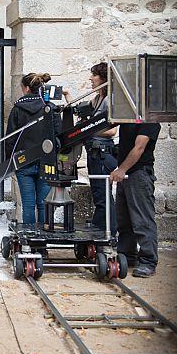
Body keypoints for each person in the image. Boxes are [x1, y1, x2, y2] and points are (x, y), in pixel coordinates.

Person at [64, 62, 118, 234]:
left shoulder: (109, 99)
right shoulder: (97, 99)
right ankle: (100, 228)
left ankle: (106, 231)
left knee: (102, 194)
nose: (90, 78)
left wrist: (87, 131)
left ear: (103, 78)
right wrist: (67, 95)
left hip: (102, 152)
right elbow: (81, 112)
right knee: (98, 192)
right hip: (94, 153)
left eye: (93, 75)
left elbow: (112, 130)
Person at [109, 121, 161, 278]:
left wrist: (122, 169)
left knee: (142, 220)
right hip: (126, 175)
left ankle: (148, 261)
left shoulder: (150, 121)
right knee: (124, 219)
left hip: (139, 173)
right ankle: (127, 255)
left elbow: (139, 148)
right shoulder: (128, 118)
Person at [5, 72, 54, 227]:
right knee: (44, 203)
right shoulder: (50, 108)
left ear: (26, 88)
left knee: (28, 204)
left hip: (24, 160)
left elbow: (10, 138)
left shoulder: (18, 109)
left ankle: (30, 241)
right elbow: (58, 134)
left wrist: (10, 161)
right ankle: (44, 240)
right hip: (46, 160)